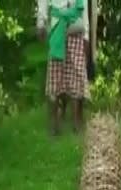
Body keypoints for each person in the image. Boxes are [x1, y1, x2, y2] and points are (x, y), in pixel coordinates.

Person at [37, 0, 90, 135]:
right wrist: (41, 22)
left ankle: (76, 123)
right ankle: (54, 125)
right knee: (55, 76)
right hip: (57, 26)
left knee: (77, 74)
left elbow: (83, 6)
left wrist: (86, 35)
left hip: (76, 27)